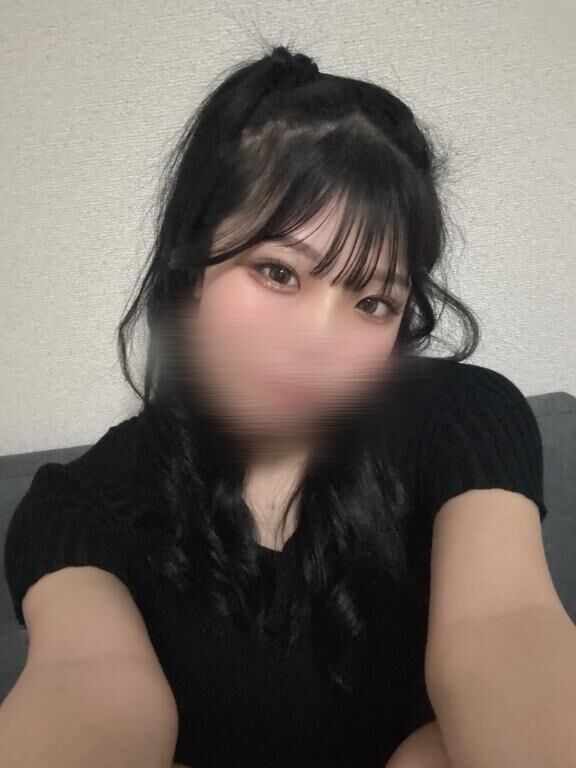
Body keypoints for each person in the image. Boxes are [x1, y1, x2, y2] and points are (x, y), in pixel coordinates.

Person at [1, 43, 548, 768]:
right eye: (277, 272)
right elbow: (86, 688)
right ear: (193, 265)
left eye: (373, 302)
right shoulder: (77, 510)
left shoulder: (462, 420)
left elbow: (507, 627)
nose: (319, 343)